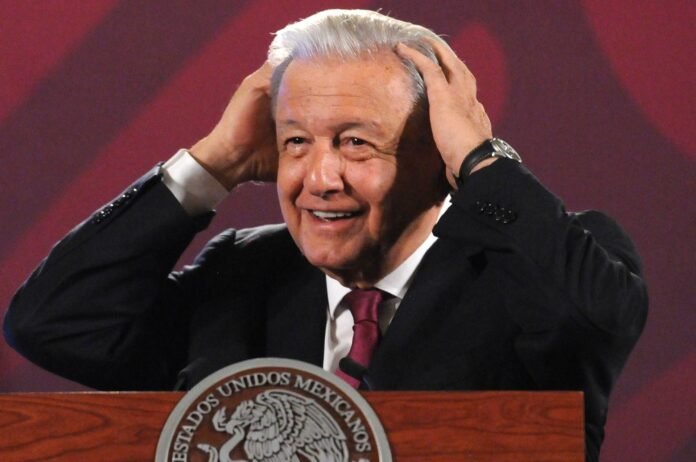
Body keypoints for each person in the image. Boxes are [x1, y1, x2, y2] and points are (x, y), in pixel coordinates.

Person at [3, 10, 646, 461]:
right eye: (296, 142)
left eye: (355, 142)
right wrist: (215, 163)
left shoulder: (536, 267)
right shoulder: (245, 271)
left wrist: (480, 160)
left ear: (436, 152)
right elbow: (54, 324)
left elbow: (587, 320)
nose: (319, 178)